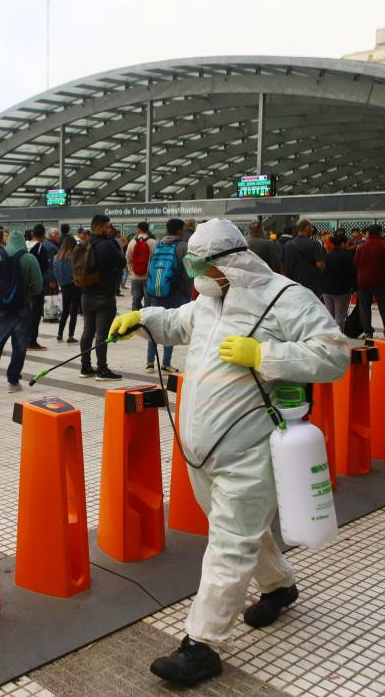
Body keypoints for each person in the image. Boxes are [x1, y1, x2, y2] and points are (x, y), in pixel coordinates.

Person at [106, 219, 348, 687]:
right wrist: (142, 319)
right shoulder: (209, 302)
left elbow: (334, 354)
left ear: (228, 263)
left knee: (230, 541)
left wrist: (264, 354)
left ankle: (202, 644)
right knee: (234, 528)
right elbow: (178, 322)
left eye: (200, 266)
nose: (194, 276)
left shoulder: (286, 298)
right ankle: (279, 587)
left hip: (251, 447)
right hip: (202, 451)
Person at [0, 228, 42, 391]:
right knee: (19, 346)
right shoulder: (29, 259)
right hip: (22, 309)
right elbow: (38, 287)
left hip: (0, 309)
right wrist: (24, 292)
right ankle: (13, 382)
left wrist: (1, 292)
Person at [79, 214, 126, 381]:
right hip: (104, 297)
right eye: (108, 227)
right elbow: (122, 263)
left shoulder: (85, 244)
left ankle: (85, 367)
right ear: (99, 227)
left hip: (86, 295)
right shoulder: (107, 245)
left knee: (87, 332)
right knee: (101, 334)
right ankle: (102, 370)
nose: (110, 230)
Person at [144, 218, 190, 372]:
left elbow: (151, 268)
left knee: (154, 324)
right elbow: (188, 272)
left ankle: (150, 362)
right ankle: (165, 363)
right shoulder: (183, 246)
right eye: (183, 230)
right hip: (175, 292)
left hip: (157, 291)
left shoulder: (158, 244)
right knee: (169, 326)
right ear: (178, 231)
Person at [353, 224, 385, 338]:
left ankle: (368, 331)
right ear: (380, 233)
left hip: (363, 282)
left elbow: (356, 263)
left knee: (364, 307)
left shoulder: (361, 247)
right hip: (379, 281)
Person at [26, 224, 55, 350]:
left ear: (33, 234)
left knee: (26, 312)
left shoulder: (24, 245)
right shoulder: (40, 248)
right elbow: (44, 268)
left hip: (23, 285)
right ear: (43, 235)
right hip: (36, 286)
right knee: (35, 313)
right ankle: (32, 341)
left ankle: (23, 338)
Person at [279, 219, 325, 298]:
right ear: (307, 227)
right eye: (311, 228)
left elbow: (282, 264)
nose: (311, 230)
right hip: (310, 286)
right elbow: (320, 265)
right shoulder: (315, 244)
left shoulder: (287, 245)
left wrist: (287, 278)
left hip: (293, 285)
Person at [320, 231, 356, 327]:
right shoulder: (346, 257)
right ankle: (338, 337)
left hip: (326, 291)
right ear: (342, 243)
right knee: (340, 316)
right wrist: (354, 288)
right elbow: (352, 274)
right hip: (342, 292)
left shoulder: (326, 256)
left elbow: (321, 272)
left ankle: (328, 335)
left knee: (329, 314)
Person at [54, 232, 81, 344]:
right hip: (74, 285)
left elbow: (55, 273)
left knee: (65, 311)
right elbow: (75, 272)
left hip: (63, 286)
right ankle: (70, 336)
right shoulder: (72, 258)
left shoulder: (56, 257)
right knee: (73, 311)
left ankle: (60, 334)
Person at [126, 222, 157, 311]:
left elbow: (128, 258)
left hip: (135, 276)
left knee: (136, 300)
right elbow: (156, 259)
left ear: (138, 229)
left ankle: (134, 320)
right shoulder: (154, 243)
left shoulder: (132, 242)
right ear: (147, 230)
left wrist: (131, 270)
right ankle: (147, 321)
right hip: (149, 276)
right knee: (148, 301)